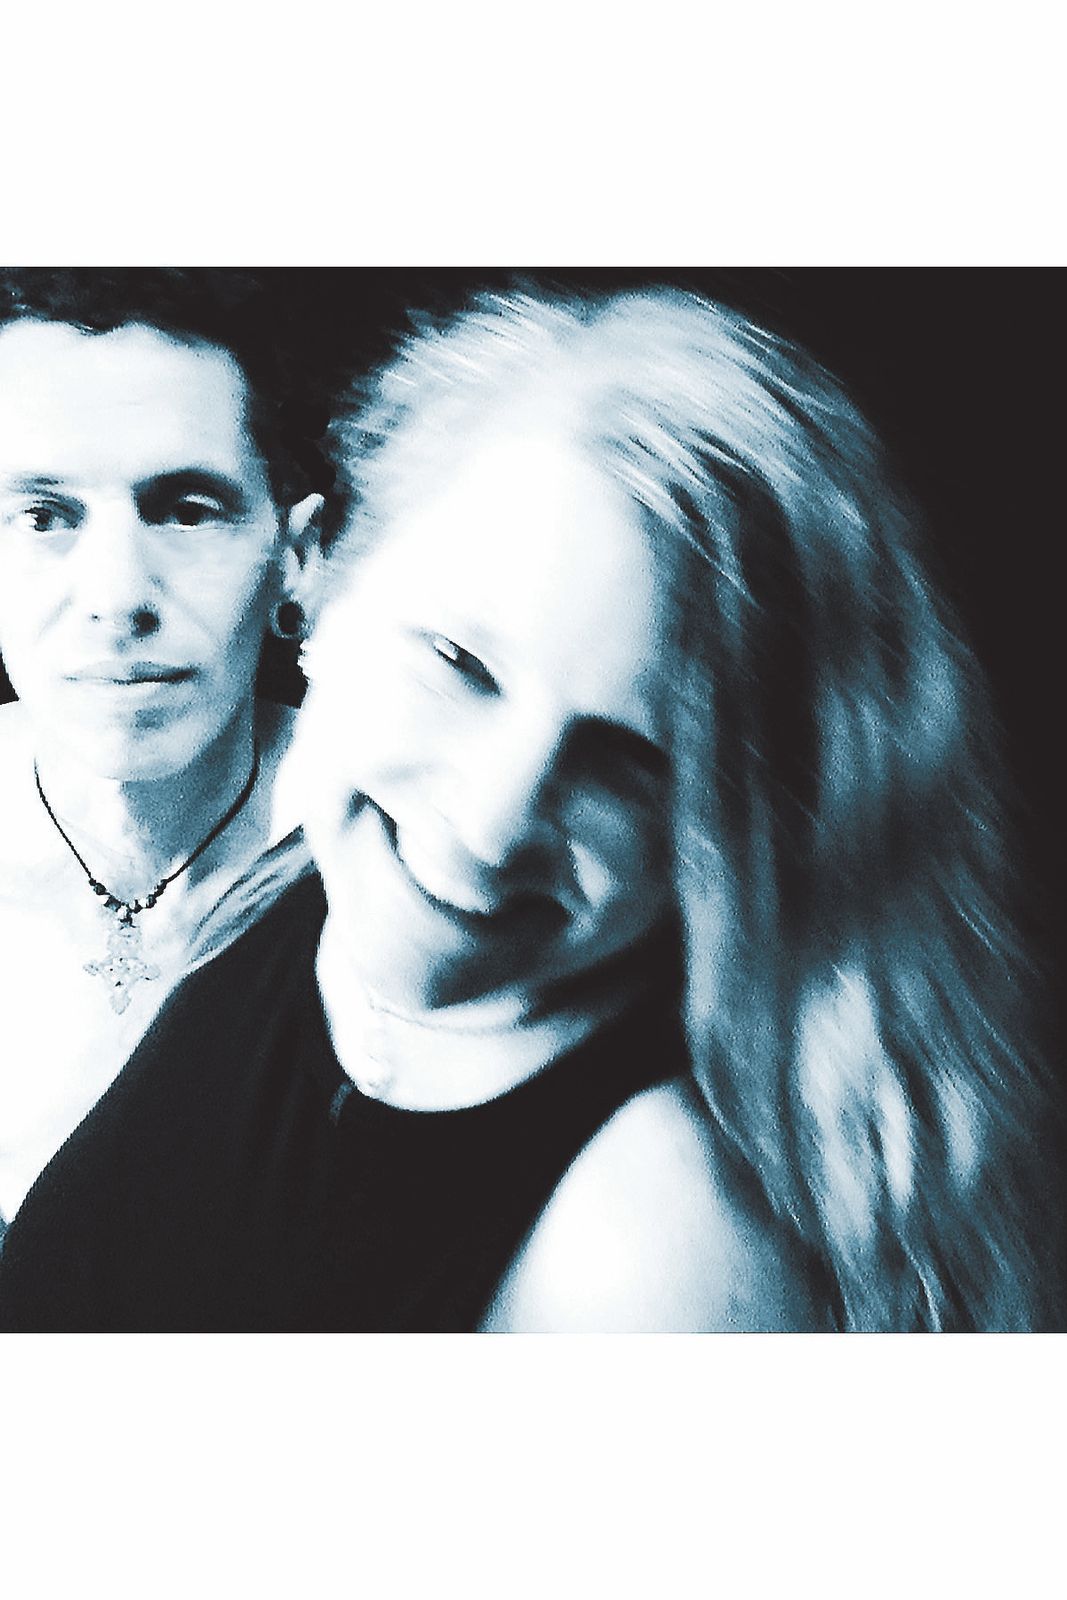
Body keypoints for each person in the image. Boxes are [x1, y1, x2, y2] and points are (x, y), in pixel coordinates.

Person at [0, 284, 1055, 1331]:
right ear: (327, 595)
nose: (489, 828)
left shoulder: (640, 1258)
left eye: (630, 755)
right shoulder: (322, 867)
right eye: (458, 663)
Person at [0, 269, 324, 1244]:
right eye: (42, 516)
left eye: (185, 509)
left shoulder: (383, 847)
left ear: (296, 557)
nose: (116, 597)